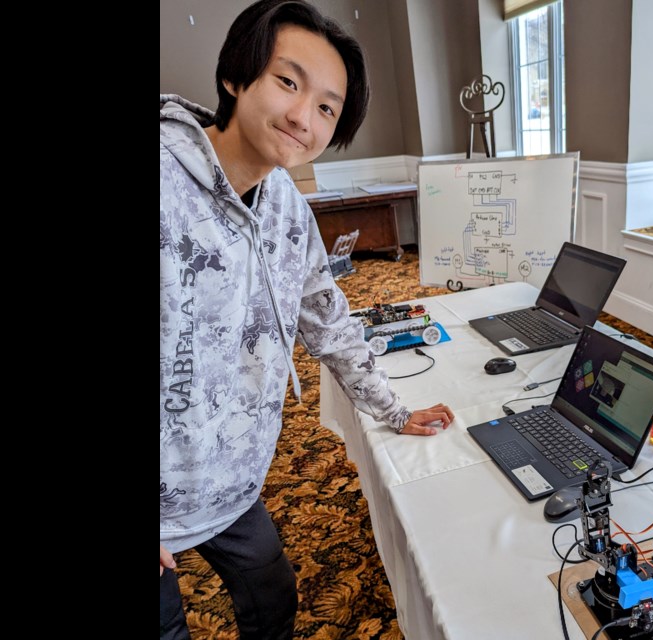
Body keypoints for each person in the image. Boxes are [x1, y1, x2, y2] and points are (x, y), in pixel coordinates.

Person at [160, 2, 454, 638]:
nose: (303, 117)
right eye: (288, 82)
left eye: (327, 106)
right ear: (236, 78)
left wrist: (395, 411)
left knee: (273, 601)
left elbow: (328, 320)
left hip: (231, 478)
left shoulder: (286, 206)